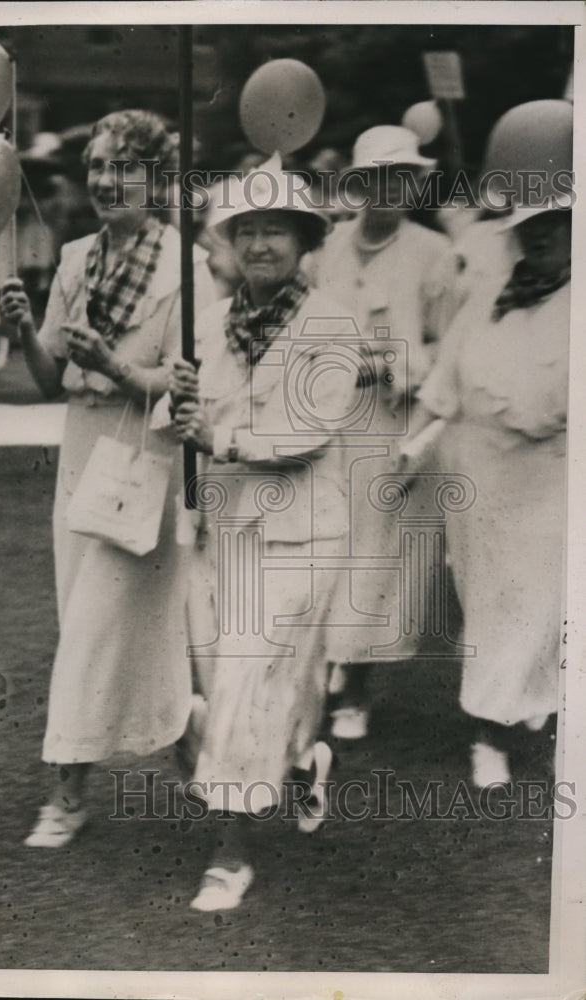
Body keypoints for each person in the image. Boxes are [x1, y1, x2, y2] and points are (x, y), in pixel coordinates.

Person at [0, 109, 216, 847]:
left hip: (146, 468)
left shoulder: (183, 266)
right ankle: (197, 745)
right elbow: (47, 381)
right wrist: (25, 328)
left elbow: (185, 386)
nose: (105, 180)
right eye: (97, 167)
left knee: (91, 634)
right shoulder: (73, 258)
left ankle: (65, 796)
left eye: (123, 167)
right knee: (95, 626)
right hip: (83, 458)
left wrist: (115, 367)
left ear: (155, 179)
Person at [170, 155, 358, 911]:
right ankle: (303, 759)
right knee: (231, 688)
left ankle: (230, 853)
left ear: (303, 239)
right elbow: (179, 421)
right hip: (225, 530)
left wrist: (219, 439)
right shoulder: (209, 324)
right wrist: (178, 403)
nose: (258, 245)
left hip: (302, 531)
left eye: (273, 229)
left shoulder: (330, 326)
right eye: (244, 230)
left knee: (248, 682)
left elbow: (307, 433)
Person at [410, 163, 571, 788]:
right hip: (480, 475)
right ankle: (489, 731)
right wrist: (409, 442)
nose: (541, 238)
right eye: (532, 228)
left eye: (555, 227)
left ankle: (528, 716)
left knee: (544, 604)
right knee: (494, 608)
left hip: (552, 476)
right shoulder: (489, 298)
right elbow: (443, 383)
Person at [309, 125, 461, 740]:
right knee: (326, 548)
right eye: (376, 177)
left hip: (395, 424)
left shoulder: (434, 253)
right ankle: (327, 671)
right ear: (359, 183)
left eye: (401, 176)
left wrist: (395, 361)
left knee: (379, 559)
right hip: (329, 423)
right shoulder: (326, 248)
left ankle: (358, 689)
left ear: (415, 183)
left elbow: (450, 348)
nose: (389, 188)